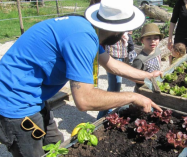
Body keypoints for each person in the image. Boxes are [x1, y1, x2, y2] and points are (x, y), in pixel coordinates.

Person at [0, 0, 163, 156]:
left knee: (56, 145)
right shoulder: (82, 39)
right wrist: (132, 97)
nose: (126, 34)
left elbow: (111, 64)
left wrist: (147, 76)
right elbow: (84, 100)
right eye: (126, 30)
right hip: (15, 102)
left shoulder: (86, 29)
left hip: (34, 97)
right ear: (116, 30)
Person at [97, 33, 129, 119]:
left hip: (120, 55)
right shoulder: (114, 27)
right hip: (113, 55)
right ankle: (100, 118)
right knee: (114, 90)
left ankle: (107, 114)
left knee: (113, 88)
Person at [131, 23, 164, 91]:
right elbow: (134, 77)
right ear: (142, 41)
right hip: (143, 89)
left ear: (159, 39)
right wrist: (146, 82)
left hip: (156, 85)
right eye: (148, 38)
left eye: (156, 38)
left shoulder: (158, 51)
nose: (152, 41)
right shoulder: (140, 59)